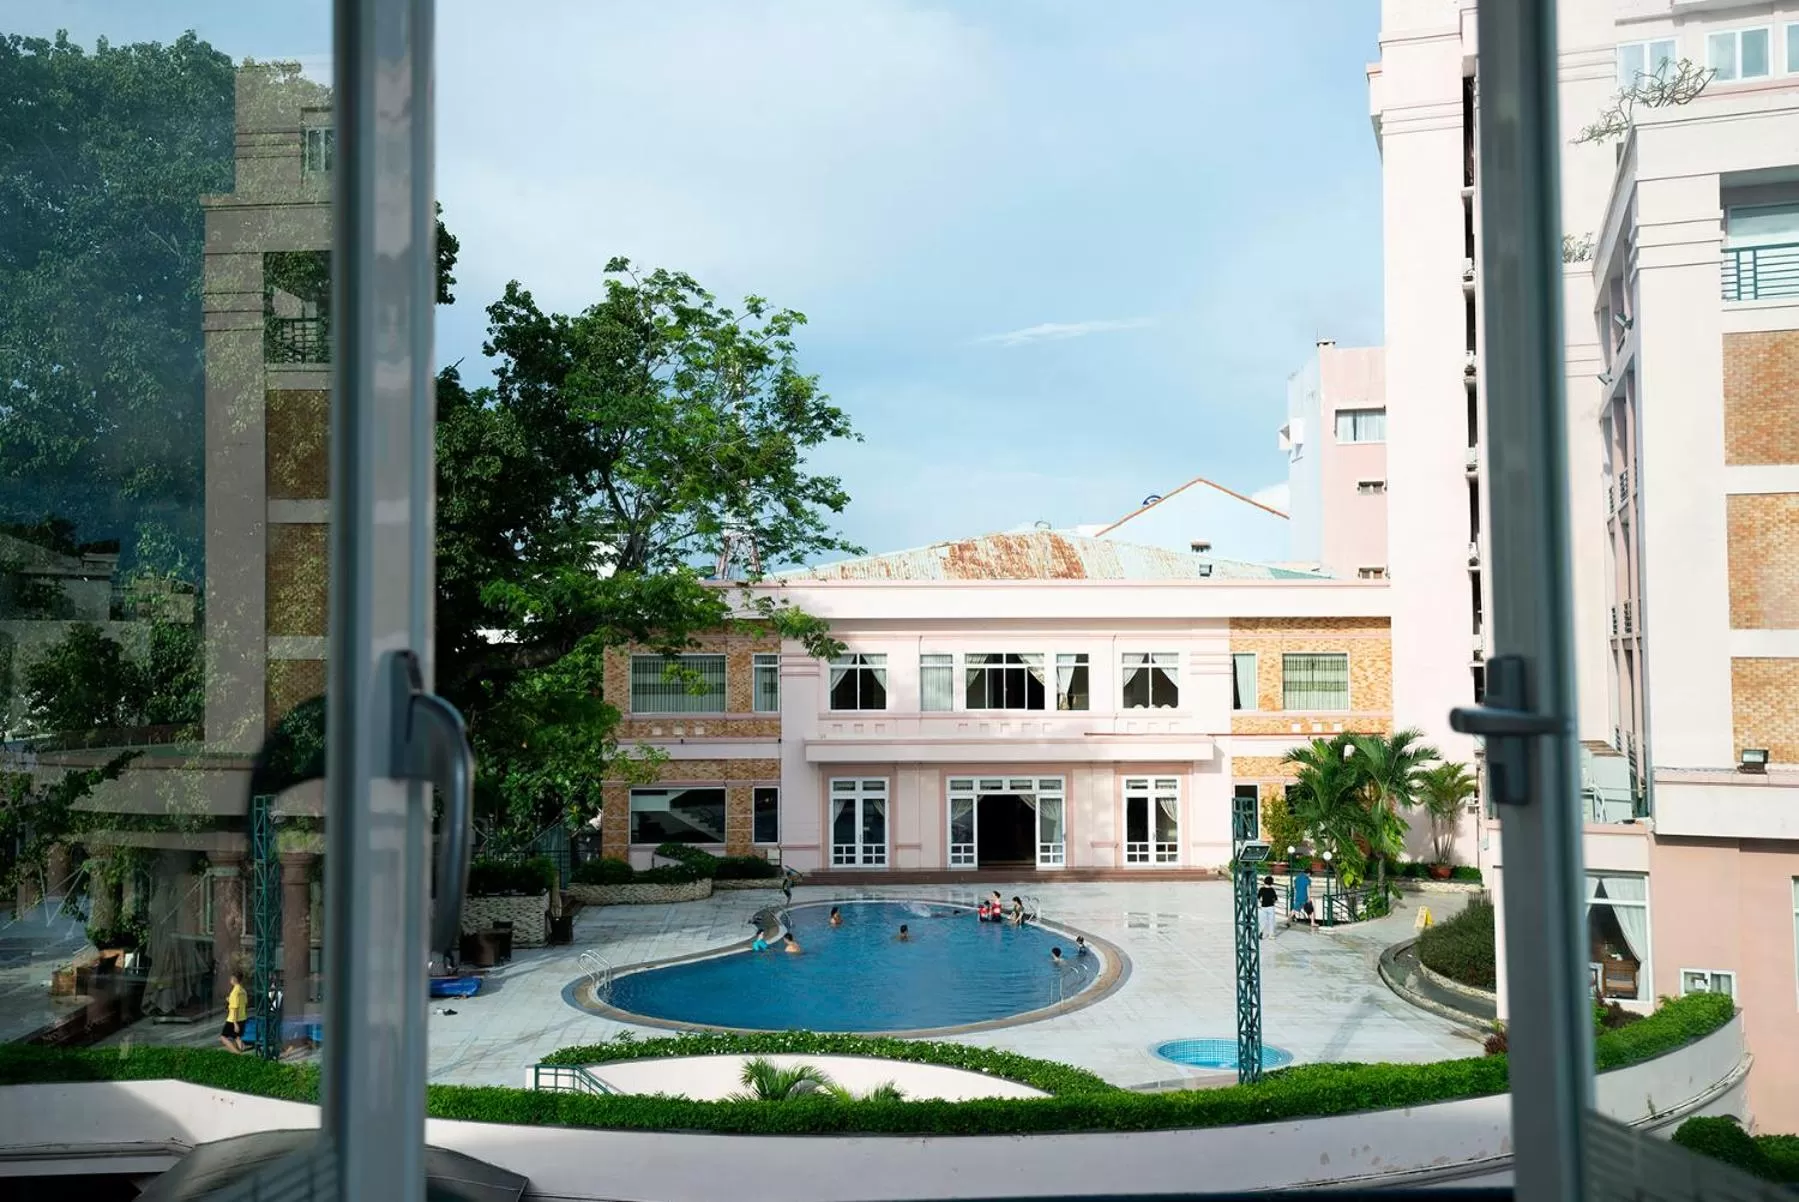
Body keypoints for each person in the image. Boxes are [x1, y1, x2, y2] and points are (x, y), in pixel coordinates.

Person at [220, 971, 248, 1054]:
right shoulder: (243, 991)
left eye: (231, 978)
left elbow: (235, 1007)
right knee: (237, 1037)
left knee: (223, 1037)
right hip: (242, 1017)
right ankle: (242, 1050)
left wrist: (235, 1023)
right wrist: (230, 1000)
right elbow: (244, 1003)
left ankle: (237, 1053)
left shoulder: (235, 992)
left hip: (233, 1019)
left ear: (234, 979)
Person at [1257, 875, 1279, 940]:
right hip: (1271, 907)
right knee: (1271, 922)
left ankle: (1261, 932)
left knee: (1262, 921)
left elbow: (1258, 897)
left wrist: (1261, 901)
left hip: (1263, 907)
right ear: (1271, 882)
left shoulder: (1261, 889)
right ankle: (1271, 935)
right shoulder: (1272, 890)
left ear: (1264, 882)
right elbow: (1275, 899)